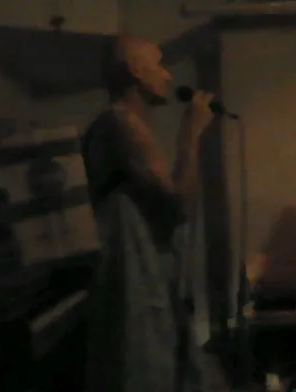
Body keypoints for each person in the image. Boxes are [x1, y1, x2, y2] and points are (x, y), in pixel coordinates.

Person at [81, 36, 214, 392]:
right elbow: (179, 204)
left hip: (144, 276)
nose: (168, 75)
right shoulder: (121, 124)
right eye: (159, 64)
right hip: (132, 284)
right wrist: (191, 133)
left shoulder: (124, 125)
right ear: (136, 71)